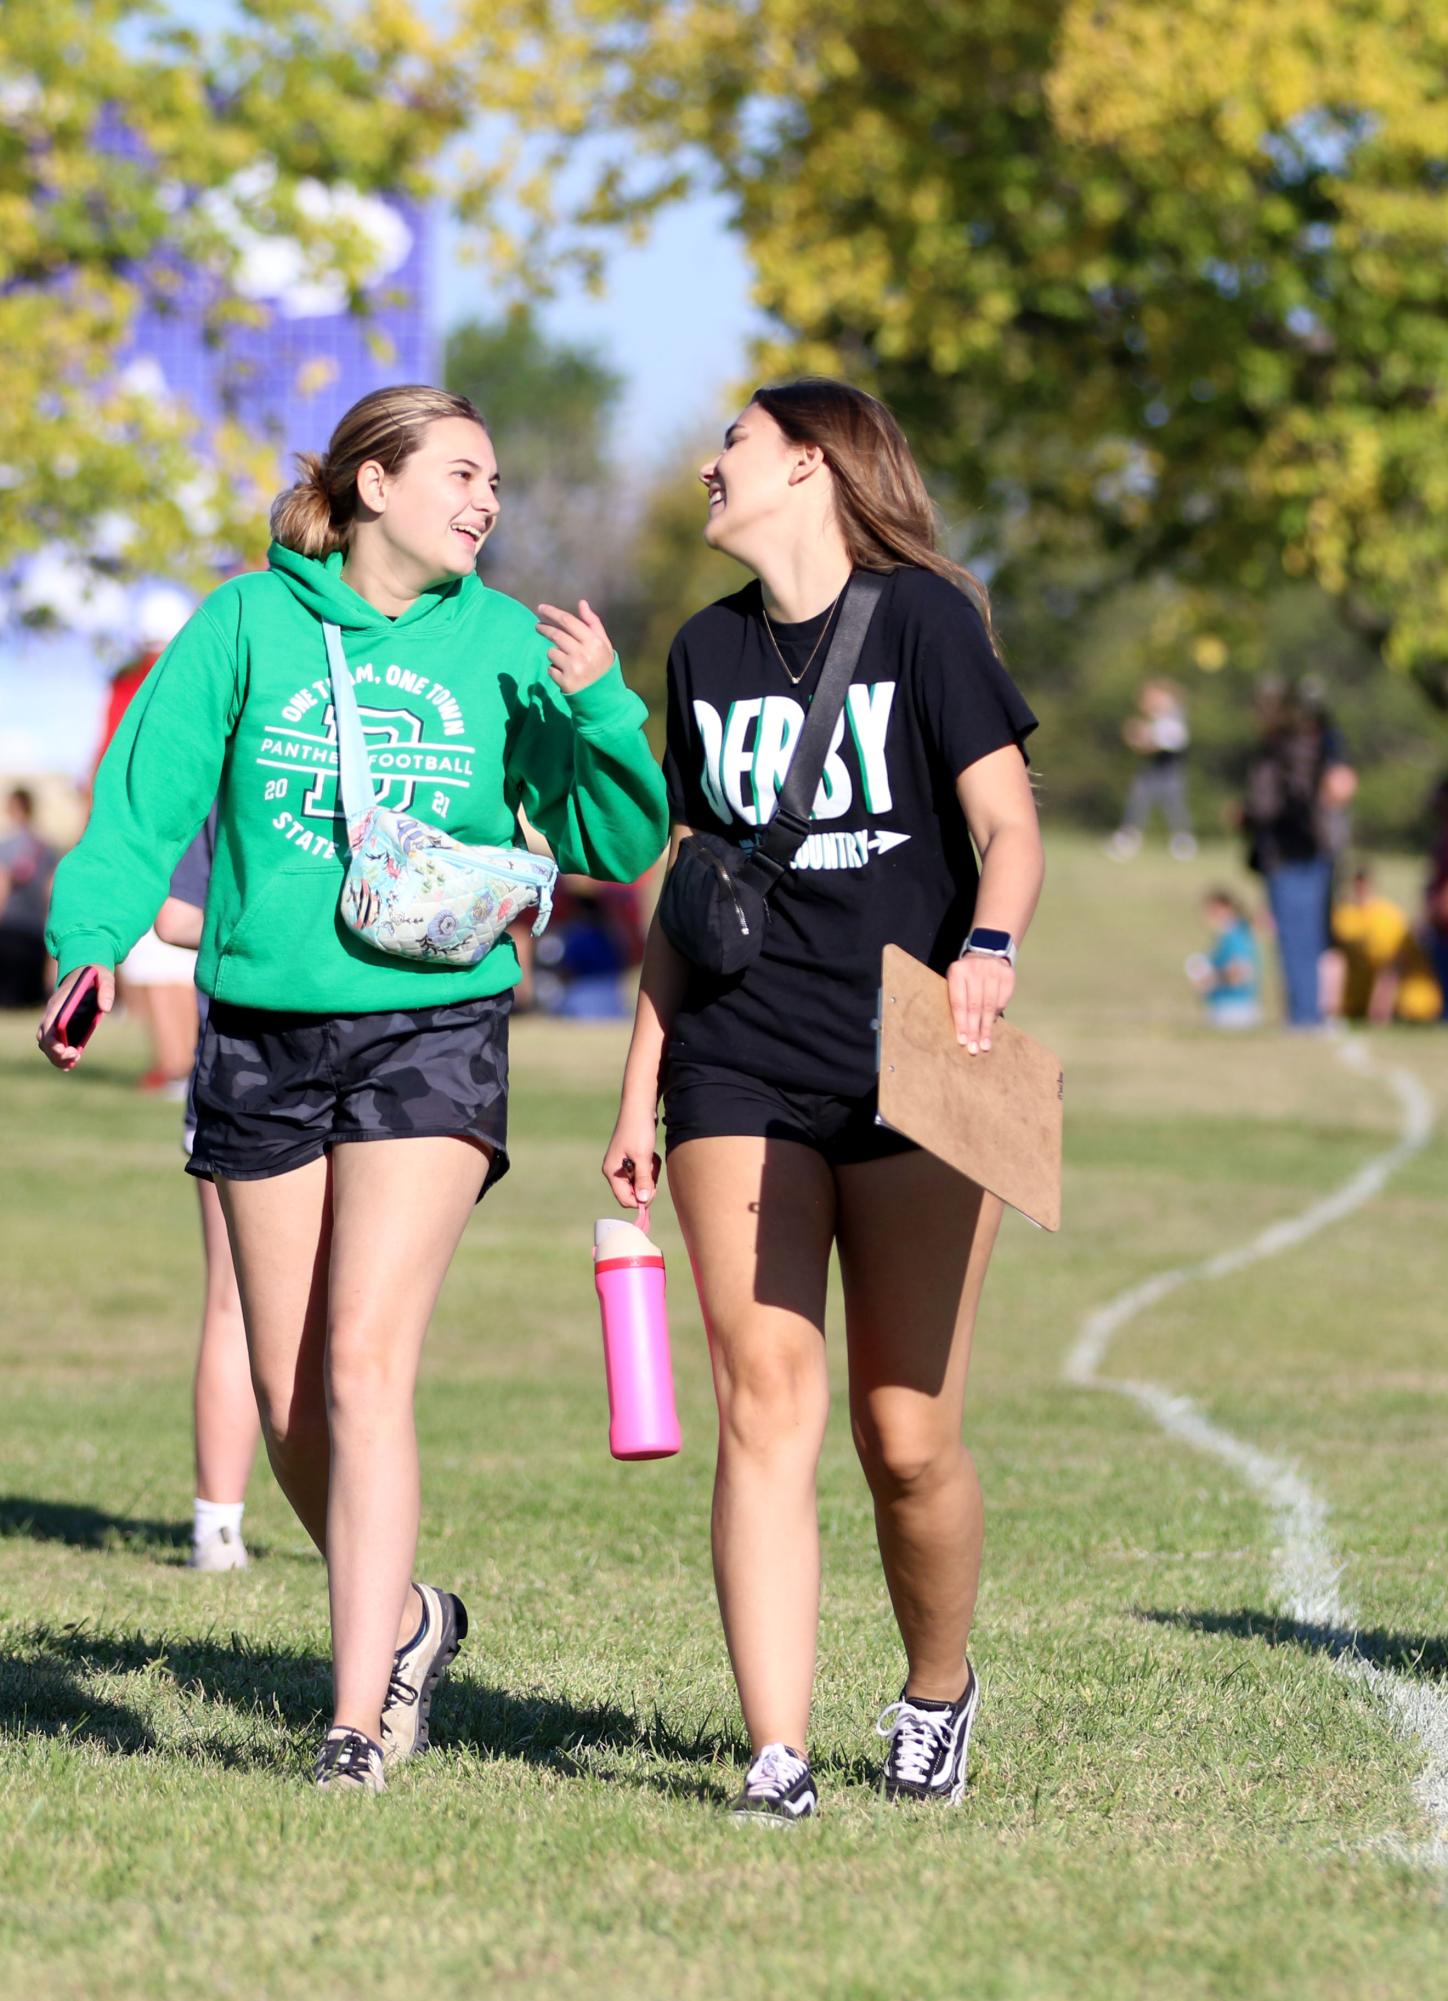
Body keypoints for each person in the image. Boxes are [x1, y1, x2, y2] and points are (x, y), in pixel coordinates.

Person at [40, 383, 669, 1794]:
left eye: (496, 480)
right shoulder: (247, 624)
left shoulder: (509, 643)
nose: (488, 499)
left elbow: (615, 838)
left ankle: (355, 1721)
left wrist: (605, 709)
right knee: (287, 1395)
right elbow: (143, 806)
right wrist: (88, 950)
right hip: (261, 1029)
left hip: (432, 1028)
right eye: (462, 472)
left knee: (367, 1360)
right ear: (373, 485)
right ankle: (405, 1623)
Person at [604, 378, 1043, 1823]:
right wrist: (637, 1083)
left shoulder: (926, 624)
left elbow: (1006, 825)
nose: (708, 465)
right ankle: (775, 1753)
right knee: (762, 1403)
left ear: (811, 465)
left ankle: (936, 1690)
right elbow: (693, 892)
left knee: (904, 1434)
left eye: (731, 442)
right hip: (739, 1059)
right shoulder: (703, 650)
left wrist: (988, 946)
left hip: (922, 1054)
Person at [153, 811, 261, 1571]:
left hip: (384, 1071)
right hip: (245, 1066)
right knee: (235, 1299)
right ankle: (216, 1526)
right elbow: (175, 914)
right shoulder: (233, 749)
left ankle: (357, 1521)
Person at [1240, 681, 1356, 1029]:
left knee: (1296, 936)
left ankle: (1304, 1014)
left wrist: (1245, 817)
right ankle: (1309, 1012)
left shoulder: (1279, 750)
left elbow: (1263, 805)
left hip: (1289, 853)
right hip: (1315, 850)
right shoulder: (1323, 746)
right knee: (1310, 936)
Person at [1326, 866, 1443, 1025]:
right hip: (1359, 995)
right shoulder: (1345, 915)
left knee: (1414, 1001)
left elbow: (1391, 969)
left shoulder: (1387, 918)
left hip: (1407, 998)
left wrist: (1378, 1016)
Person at [1108, 680, 1195, 861]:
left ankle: (1183, 843)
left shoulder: (1174, 716)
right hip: (1154, 767)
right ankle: (1128, 839)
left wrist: (1142, 736)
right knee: (1138, 800)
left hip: (1170, 768)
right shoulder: (1160, 717)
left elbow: (1170, 741)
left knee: (1173, 805)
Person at [0, 787, 57, 1009]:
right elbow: (50, 890)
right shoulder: (47, 847)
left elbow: (2, 884)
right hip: (35, 927)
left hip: (10, 925)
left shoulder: (5, 846)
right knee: (28, 995)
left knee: (8, 996)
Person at [1186, 888, 1262, 1029]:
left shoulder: (1234, 937)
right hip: (1232, 1008)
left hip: (1233, 1010)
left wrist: (1210, 979)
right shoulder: (1234, 934)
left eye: (1212, 910)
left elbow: (1241, 972)